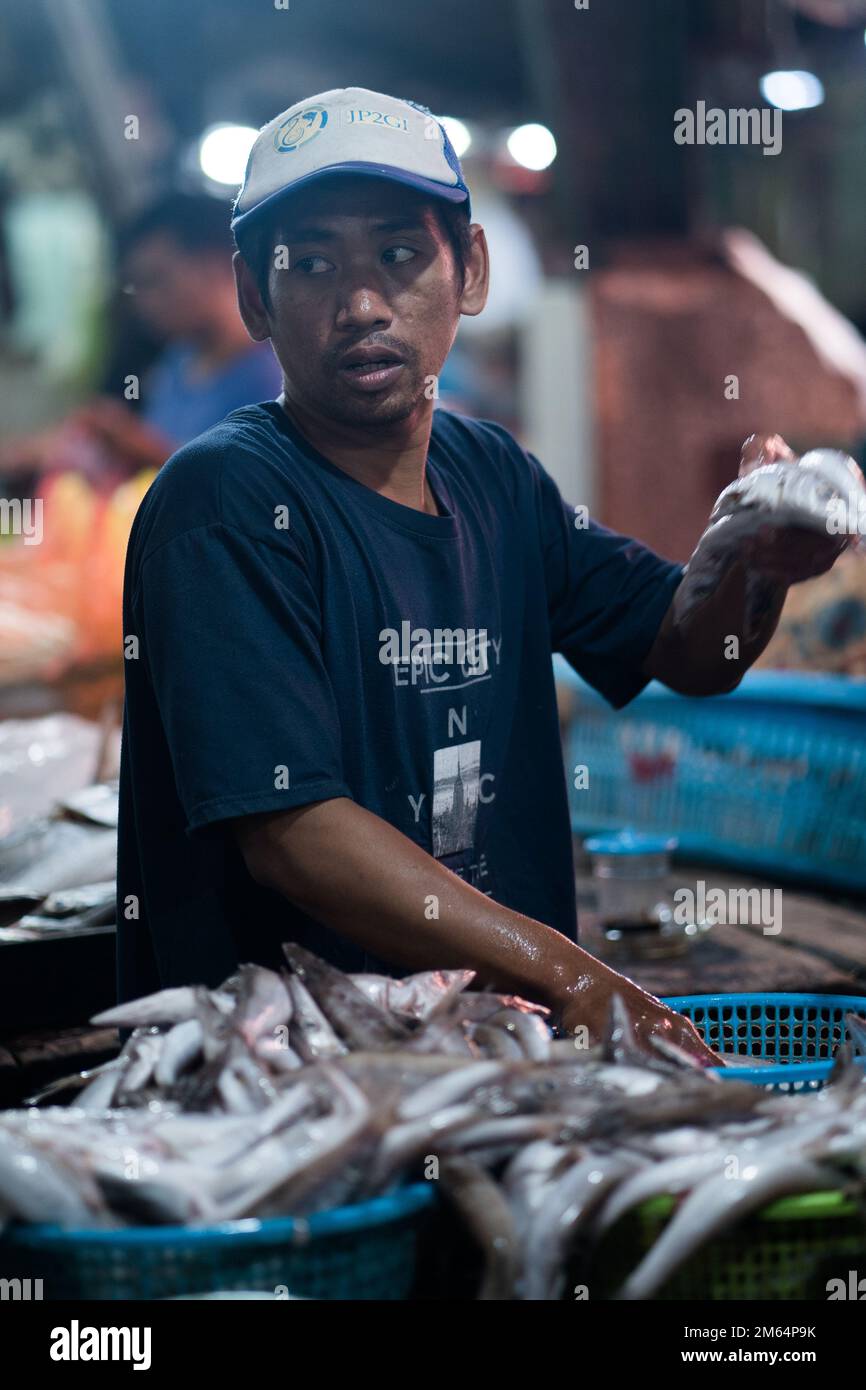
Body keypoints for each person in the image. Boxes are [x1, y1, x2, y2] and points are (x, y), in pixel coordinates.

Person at [117, 87, 846, 1059]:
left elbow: (687, 651)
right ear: (255, 294)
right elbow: (294, 831)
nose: (362, 303)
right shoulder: (224, 501)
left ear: (469, 270)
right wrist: (573, 974)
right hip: (292, 1081)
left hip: (498, 1051)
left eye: (399, 254)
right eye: (312, 263)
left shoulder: (492, 473)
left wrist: (754, 564)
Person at [0, 192, 282, 486]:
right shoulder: (178, 361)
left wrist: (134, 443)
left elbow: (243, 484)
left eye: (156, 279)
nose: (143, 302)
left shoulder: (273, 373)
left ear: (214, 266)